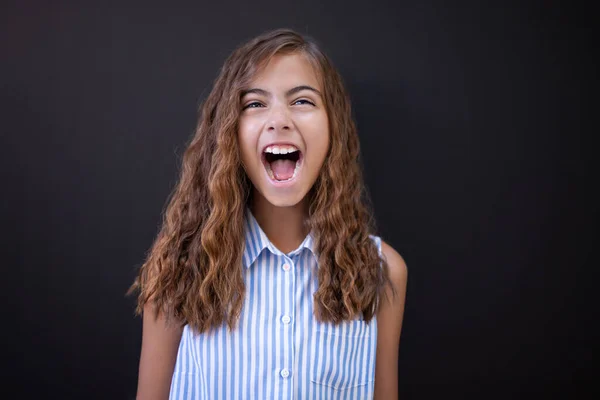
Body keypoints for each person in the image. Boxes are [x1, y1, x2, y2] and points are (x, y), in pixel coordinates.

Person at [128, 28, 407, 400]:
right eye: (255, 104)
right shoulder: (181, 266)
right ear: (228, 132)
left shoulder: (382, 271)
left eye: (302, 101)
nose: (279, 120)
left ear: (333, 129)